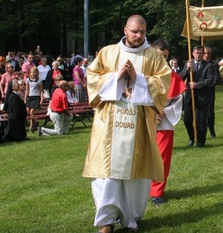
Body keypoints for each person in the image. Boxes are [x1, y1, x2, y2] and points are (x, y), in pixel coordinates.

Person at [82, 14, 170, 233]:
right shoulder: (108, 52)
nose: (139, 36)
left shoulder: (153, 56)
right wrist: (116, 77)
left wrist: (138, 79)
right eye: (134, 31)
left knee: (136, 173)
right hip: (108, 124)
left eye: (142, 32)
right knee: (107, 173)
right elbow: (92, 78)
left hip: (139, 124)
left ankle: (131, 218)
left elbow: (163, 84)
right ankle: (106, 221)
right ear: (125, 30)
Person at [149, 39, 187, 207]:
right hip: (144, 121)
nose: (161, 59)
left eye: (164, 56)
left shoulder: (173, 77)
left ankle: (156, 192)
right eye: (158, 56)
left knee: (161, 158)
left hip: (164, 123)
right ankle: (140, 190)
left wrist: (164, 112)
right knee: (142, 156)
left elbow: (178, 99)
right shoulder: (142, 73)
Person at [180, 45, 215, 147]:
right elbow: (181, 77)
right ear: (193, 53)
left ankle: (200, 141)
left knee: (201, 121)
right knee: (187, 119)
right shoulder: (189, 64)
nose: (198, 55)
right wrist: (187, 69)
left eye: (200, 53)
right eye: (197, 53)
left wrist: (197, 85)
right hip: (190, 97)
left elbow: (210, 79)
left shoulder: (208, 66)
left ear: (203, 54)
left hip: (202, 97)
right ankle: (191, 137)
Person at [204, 45, 219, 138]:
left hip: (209, 93)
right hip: (199, 93)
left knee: (210, 113)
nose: (207, 55)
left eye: (208, 53)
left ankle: (211, 130)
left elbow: (216, 79)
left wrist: (208, 85)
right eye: (205, 53)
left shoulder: (214, 65)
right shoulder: (198, 64)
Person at [25, 67, 44, 132]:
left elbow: (41, 91)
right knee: (28, 112)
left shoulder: (39, 80)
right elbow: (27, 90)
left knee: (31, 112)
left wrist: (41, 99)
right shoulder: (27, 80)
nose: (33, 74)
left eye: (34, 72)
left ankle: (31, 127)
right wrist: (25, 99)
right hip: (30, 97)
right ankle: (35, 122)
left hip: (36, 97)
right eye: (32, 72)